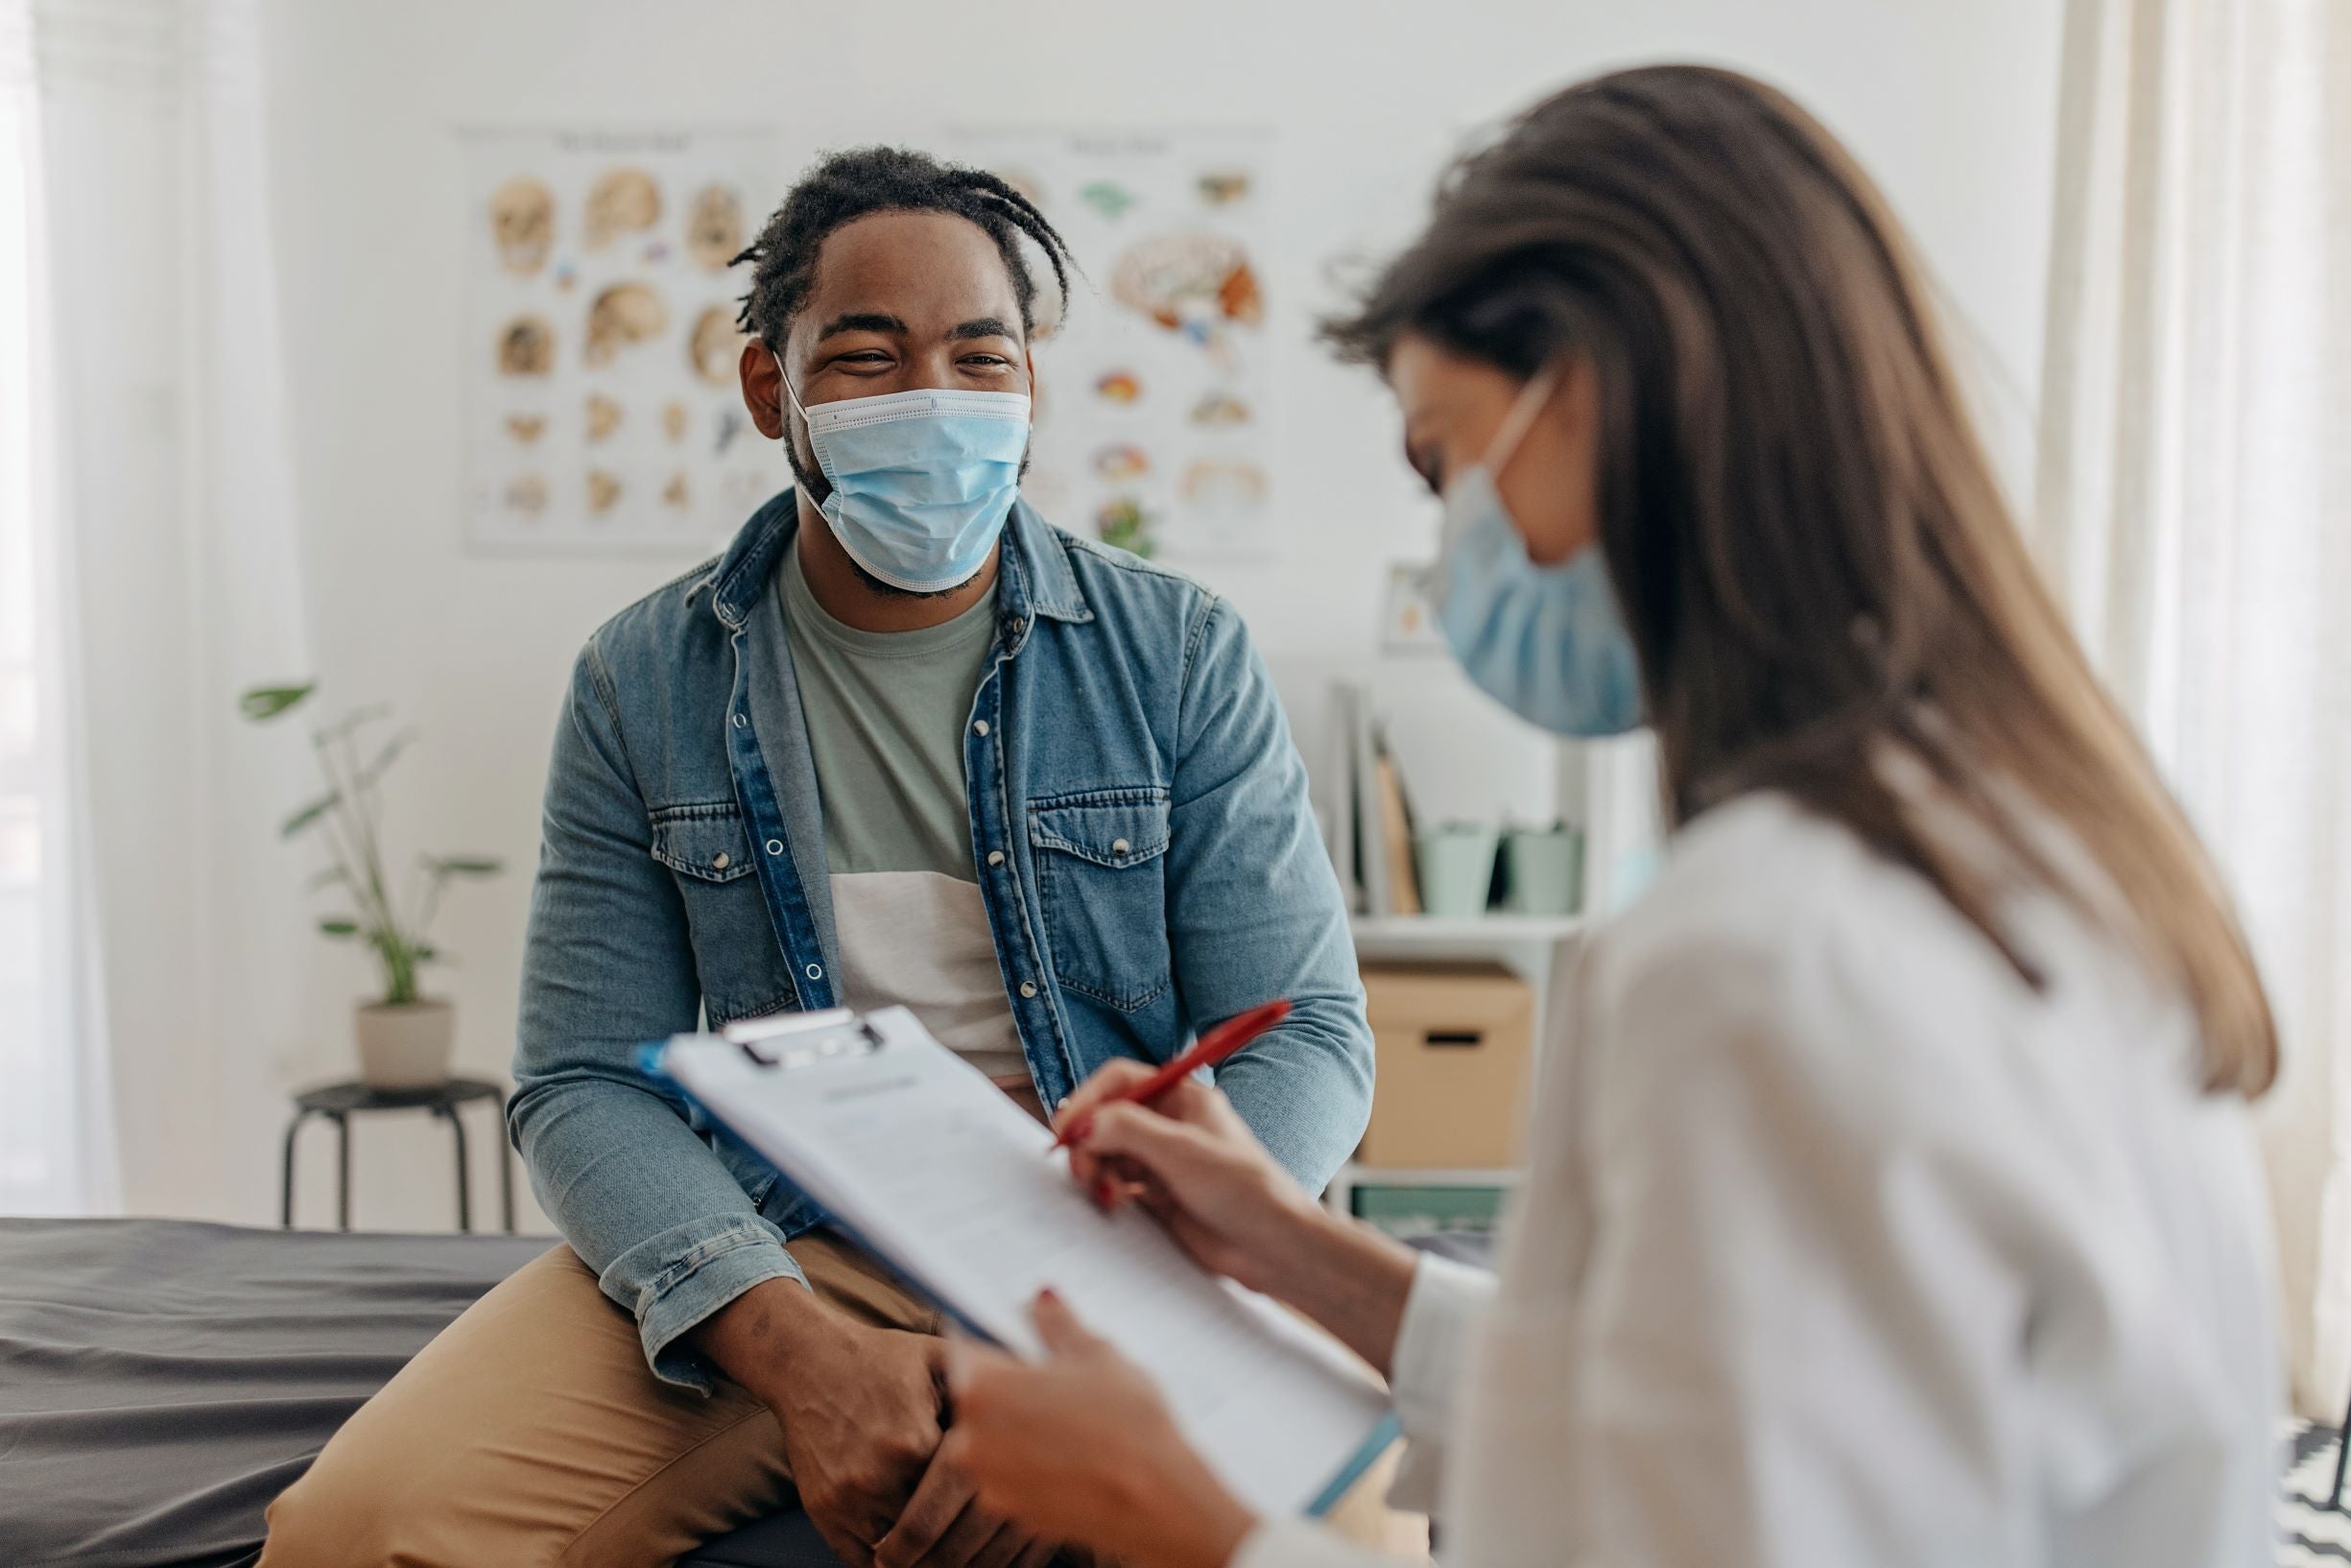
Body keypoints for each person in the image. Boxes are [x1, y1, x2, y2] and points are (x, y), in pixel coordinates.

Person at [940, 64, 2284, 1568]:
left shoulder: (1760, 947)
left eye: (1444, 460)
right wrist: (1293, 1246)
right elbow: (1714, 1414)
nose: (1445, 546)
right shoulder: (2027, 834)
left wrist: (1177, 1516)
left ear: (1593, 402)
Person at [260, 147, 1375, 1568]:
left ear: (1030, 385)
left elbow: (1308, 1036)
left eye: (981, 358)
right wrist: (794, 1350)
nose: (934, 401)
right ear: (766, 390)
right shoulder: (641, 681)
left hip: (1118, 1246)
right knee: (353, 1532)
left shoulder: (1177, 655)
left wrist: (1106, 1308)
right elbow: (585, 1076)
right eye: (867, 357)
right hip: (783, 1242)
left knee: (1358, 1539)